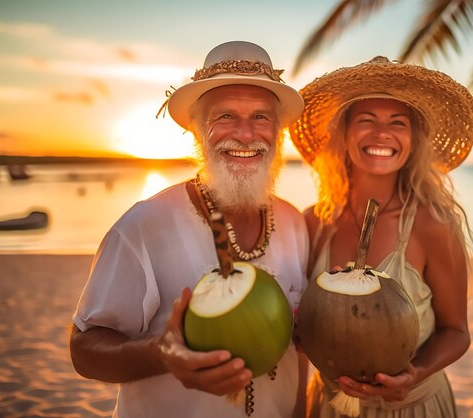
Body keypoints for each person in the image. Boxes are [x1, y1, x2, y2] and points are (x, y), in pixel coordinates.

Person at [69, 41, 310, 418]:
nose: (246, 134)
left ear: (278, 133)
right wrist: (161, 354)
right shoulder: (142, 227)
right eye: (225, 116)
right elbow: (84, 349)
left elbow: (299, 351)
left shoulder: (296, 223)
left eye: (261, 117)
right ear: (198, 131)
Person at [289, 56, 473, 417]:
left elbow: (457, 331)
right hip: (327, 406)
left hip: (413, 406)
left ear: (413, 140)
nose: (382, 133)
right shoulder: (314, 223)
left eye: (398, 123)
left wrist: (416, 373)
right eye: (366, 120)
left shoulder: (431, 224)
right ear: (343, 135)